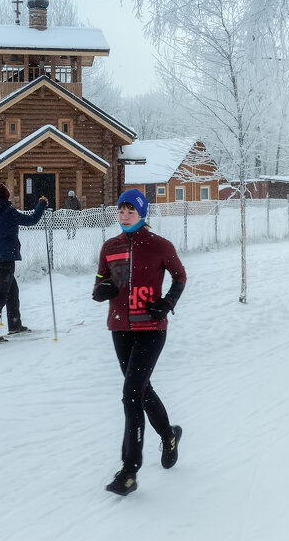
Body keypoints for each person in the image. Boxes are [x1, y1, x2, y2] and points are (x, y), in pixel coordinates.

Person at [92, 188, 186, 496]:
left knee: (131, 393)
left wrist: (168, 301)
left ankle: (129, 471)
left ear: (142, 213)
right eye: (120, 211)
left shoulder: (160, 245)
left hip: (151, 327)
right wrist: (101, 290)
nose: (124, 216)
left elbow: (180, 276)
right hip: (120, 328)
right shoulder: (109, 246)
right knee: (140, 390)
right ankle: (169, 434)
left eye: (130, 211)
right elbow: (101, 280)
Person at [0, 182, 48, 344]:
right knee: (1, 296)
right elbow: (31, 220)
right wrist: (41, 205)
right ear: (6, 196)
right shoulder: (8, 211)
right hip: (6, 258)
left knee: (12, 291)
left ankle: (14, 324)